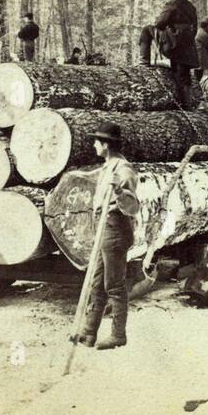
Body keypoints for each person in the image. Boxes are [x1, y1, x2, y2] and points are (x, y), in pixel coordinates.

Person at [71, 122, 141, 350]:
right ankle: (89, 332)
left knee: (114, 285)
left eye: (96, 142)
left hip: (115, 229)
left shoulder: (123, 170)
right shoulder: (108, 166)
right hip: (103, 229)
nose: (93, 145)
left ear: (106, 145)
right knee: (95, 282)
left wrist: (120, 191)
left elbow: (132, 206)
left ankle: (118, 335)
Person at [153, 0, 199, 104]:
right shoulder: (190, 6)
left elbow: (160, 23)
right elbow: (195, 27)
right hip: (188, 42)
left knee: (178, 72)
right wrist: (187, 36)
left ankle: (182, 104)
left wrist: (170, 32)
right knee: (185, 73)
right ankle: (187, 102)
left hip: (175, 41)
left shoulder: (172, 2)